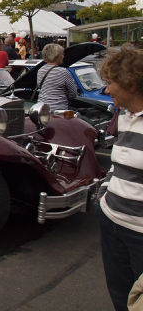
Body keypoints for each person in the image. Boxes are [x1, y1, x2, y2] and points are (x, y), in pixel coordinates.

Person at [96, 44, 143, 311]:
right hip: (112, 221)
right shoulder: (124, 117)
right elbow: (117, 165)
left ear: (132, 84)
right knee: (120, 297)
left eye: (111, 82)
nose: (107, 90)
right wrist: (104, 196)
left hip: (140, 233)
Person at [35, 43, 77, 111]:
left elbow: (41, 87)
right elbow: (73, 93)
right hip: (58, 110)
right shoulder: (63, 72)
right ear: (57, 56)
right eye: (62, 54)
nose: (63, 56)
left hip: (41, 110)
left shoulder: (40, 70)